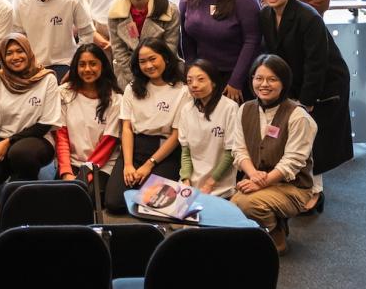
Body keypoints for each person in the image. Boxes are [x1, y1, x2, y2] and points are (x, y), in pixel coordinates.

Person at [259, 0, 351, 211]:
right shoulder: (266, 15)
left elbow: (316, 63)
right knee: (294, 134)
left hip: (324, 83)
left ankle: (315, 192)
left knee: (313, 138)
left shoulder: (308, 16)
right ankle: (297, 184)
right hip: (295, 81)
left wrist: (307, 101)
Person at [229, 55, 318, 253]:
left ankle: (276, 236)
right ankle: (272, 226)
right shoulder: (245, 109)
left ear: (284, 82)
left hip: (293, 186)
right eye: (258, 78)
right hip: (259, 179)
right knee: (236, 203)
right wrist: (253, 174)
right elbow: (239, 149)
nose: (264, 84)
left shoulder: (298, 115)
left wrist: (261, 181)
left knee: (246, 204)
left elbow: (292, 162)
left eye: (272, 79)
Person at [104, 37, 187, 213]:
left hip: (164, 152)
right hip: (134, 148)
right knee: (114, 203)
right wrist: (128, 164)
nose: (148, 65)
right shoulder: (132, 88)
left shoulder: (182, 90)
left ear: (165, 58)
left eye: (152, 59)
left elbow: (176, 135)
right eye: (143, 62)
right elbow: (126, 128)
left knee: (154, 203)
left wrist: (149, 165)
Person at [0, 34, 60, 186]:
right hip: (1, 140)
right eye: (9, 53)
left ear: (28, 52)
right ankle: (15, 170)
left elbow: (45, 124)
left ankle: (25, 185)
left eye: (20, 51)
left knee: (20, 153)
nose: (15, 57)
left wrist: (9, 141)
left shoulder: (47, 79)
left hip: (37, 139)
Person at [179, 0, 261, 102]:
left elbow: (252, 41)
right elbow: (185, 36)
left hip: (235, 76)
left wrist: (236, 81)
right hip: (201, 74)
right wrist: (191, 71)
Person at [53, 43, 122, 187]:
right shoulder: (63, 93)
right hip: (71, 162)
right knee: (60, 199)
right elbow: (61, 137)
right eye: (82, 65)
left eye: (93, 64)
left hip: (102, 164)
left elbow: (108, 143)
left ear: (102, 66)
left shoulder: (115, 99)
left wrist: (84, 176)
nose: (87, 69)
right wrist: (66, 172)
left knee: (86, 197)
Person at [106, 0, 182, 87]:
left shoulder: (170, 10)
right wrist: (136, 80)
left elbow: (170, 49)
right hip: (129, 75)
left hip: (164, 73)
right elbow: (119, 51)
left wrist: (154, 80)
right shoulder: (115, 11)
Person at [178, 60, 238, 198]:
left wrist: (211, 183)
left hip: (219, 186)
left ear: (214, 82)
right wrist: (185, 180)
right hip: (191, 185)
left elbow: (230, 153)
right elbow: (186, 152)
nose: (194, 85)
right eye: (189, 80)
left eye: (201, 80)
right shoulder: (186, 110)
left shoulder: (230, 108)